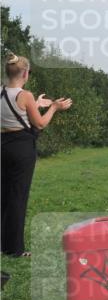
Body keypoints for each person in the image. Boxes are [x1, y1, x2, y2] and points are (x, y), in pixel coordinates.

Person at [1, 54, 72, 257]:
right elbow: (40, 123)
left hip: (3, 146)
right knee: (18, 197)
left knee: (3, 196)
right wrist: (54, 107)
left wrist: (36, 104)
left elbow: (16, 112)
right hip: (21, 149)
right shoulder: (25, 95)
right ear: (25, 73)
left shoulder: (1, 92)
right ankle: (14, 249)